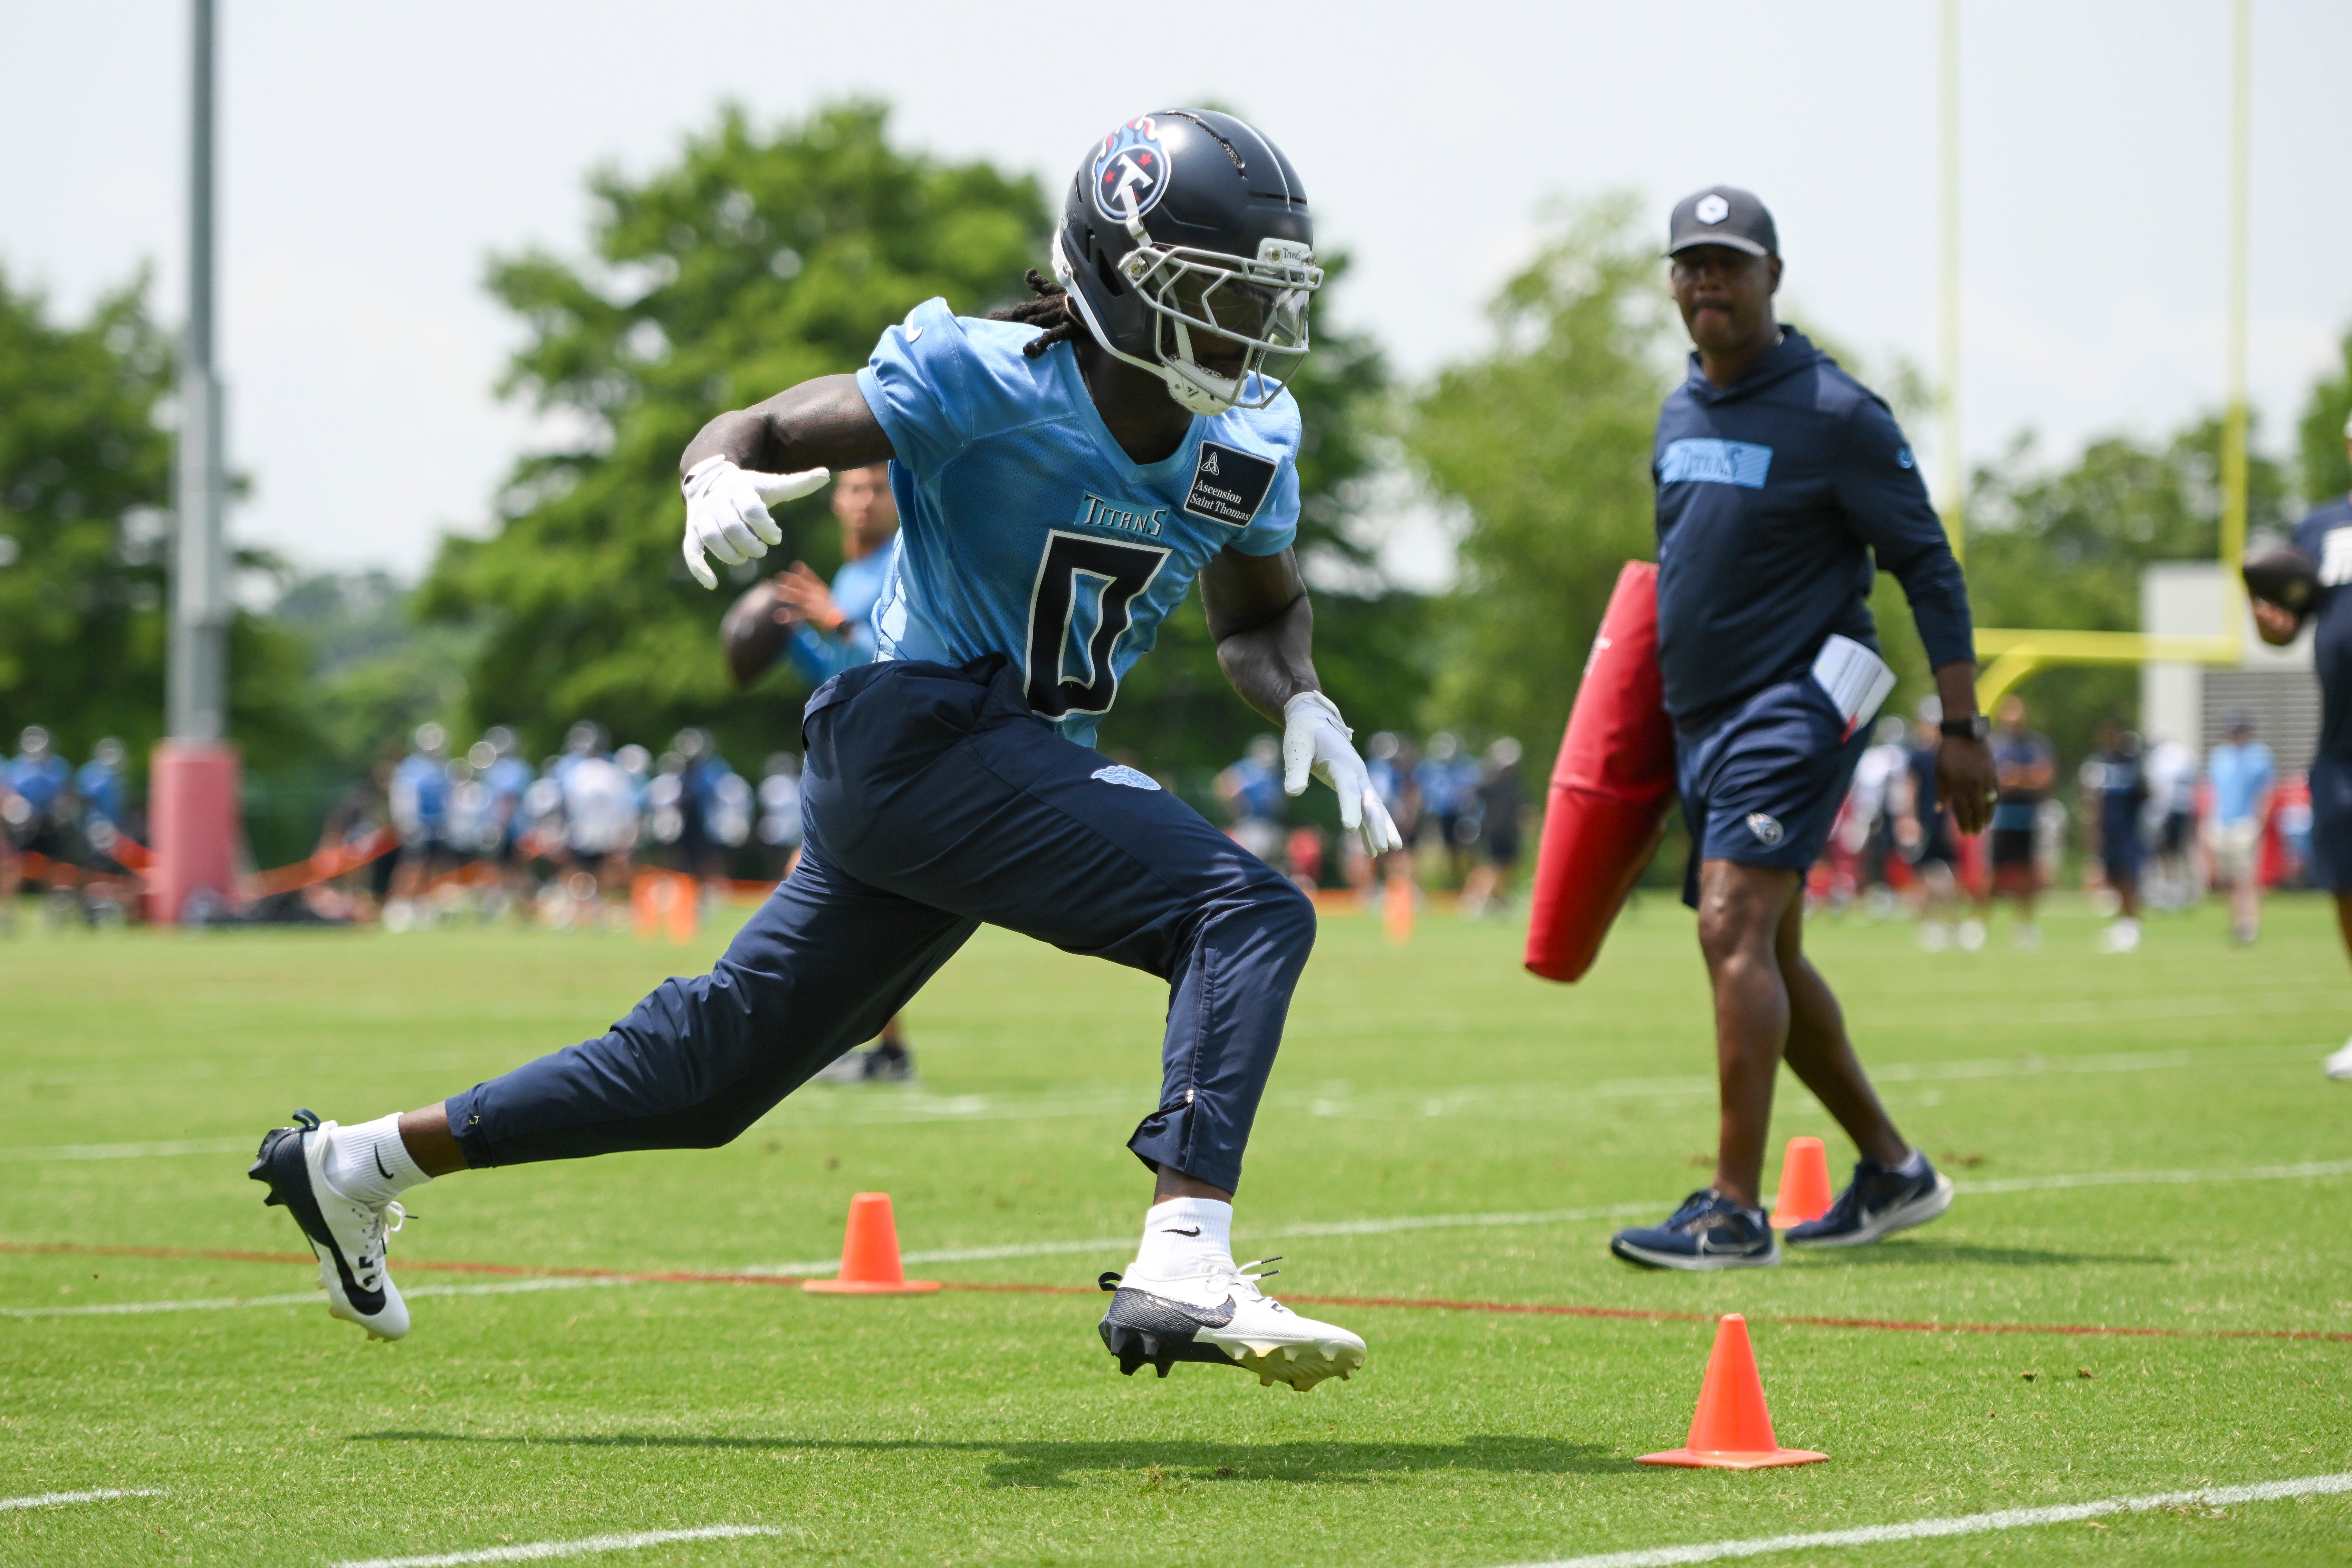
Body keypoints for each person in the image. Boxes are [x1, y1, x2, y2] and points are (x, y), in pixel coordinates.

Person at [248, 109, 1400, 1391]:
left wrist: (1304, 699)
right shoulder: (988, 376)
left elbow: (1262, 613)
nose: (1243, 329)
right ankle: (1184, 1248)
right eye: (1214, 291)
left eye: (1261, 298)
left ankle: (358, 1161)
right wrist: (711, 475)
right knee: (1242, 909)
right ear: (1119, 272)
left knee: (702, 1079)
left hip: (981, 768)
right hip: (922, 727)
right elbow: (760, 427)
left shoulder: (1247, 439)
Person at [1606, 186, 1995, 1271]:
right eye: (1689, 264)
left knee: (1728, 923)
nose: (1706, 282)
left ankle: (1733, 1208)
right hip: (1700, 719)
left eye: (1728, 263)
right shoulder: (1677, 409)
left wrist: (1958, 724)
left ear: (1772, 275)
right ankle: (1891, 1168)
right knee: (1766, 945)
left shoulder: (1836, 414)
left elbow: (1924, 563)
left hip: (1803, 702)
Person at [2261, 423, 2352, 1075]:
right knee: (2344, 879)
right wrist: (2269, 621)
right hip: (2342, 738)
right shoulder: (2321, 528)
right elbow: (2286, 629)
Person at [774, 462, 902, 685]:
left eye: (879, 490)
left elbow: (899, 664)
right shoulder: (846, 575)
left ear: (895, 501)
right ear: (838, 500)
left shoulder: (902, 563)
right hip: (850, 717)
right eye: (856, 489)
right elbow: (837, 673)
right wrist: (788, 633)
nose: (867, 500)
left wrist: (836, 620)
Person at [1894, 698, 1974, 950]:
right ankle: (1926, 926)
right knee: (1923, 876)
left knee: (1949, 876)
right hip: (1924, 822)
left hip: (1943, 821)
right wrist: (1908, 819)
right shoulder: (1917, 757)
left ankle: (1952, 924)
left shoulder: (1949, 756)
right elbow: (1910, 790)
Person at [1978, 695, 2055, 947]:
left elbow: (2044, 779)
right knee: (1994, 874)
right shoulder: (1996, 745)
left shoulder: (2036, 745)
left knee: (2026, 874)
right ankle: (1979, 924)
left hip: (2028, 818)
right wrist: (2022, 778)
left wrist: (2016, 778)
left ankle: (2024, 926)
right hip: (2001, 819)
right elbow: (1991, 781)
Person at [2204, 712, 2274, 946]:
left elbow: (2266, 793)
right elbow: (2214, 792)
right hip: (2222, 822)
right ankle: (2237, 922)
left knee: (2246, 877)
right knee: (2229, 879)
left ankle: (2249, 923)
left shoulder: (2259, 756)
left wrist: (2260, 823)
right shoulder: (2220, 756)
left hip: (2246, 822)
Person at [2084, 721, 2148, 953]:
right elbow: (2092, 802)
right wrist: (2093, 832)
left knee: (2129, 876)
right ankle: (2122, 922)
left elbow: (2145, 795)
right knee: (2113, 876)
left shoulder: (2133, 765)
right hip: (2109, 831)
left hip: (2129, 830)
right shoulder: (2099, 765)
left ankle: (2132, 922)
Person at [384, 723, 453, 929]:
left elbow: (447, 798)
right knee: (412, 866)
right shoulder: (411, 767)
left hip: (437, 825)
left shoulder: (442, 768)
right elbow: (404, 796)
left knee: (434, 867)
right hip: (417, 825)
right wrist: (407, 822)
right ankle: (400, 905)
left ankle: (424, 904)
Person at [1459, 737, 1524, 916]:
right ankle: (1478, 899)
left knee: (1506, 866)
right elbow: (1472, 797)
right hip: (1493, 831)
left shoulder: (1515, 783)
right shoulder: (1489, 781)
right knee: (1491, 866)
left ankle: (1498, 900)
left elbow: (1520, 806)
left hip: (1510, 832)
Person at [2142, 733, 2199, 912]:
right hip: (2185, 811)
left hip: (2169, 812)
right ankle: (2185, 891)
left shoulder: (2160, 760)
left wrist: (2156, 818)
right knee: (2179, 854)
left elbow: (2162, 792)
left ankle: (2175, 892)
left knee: (2167, 854)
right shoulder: (2183, 756)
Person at [1215, 734, 1286, 865]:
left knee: (1273, 864)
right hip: (1250, 824)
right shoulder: (1248, 768)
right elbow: (1224, 782)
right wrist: (1236, 808)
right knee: (1253, 862)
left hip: (1271, 823)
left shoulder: (1274, 773)